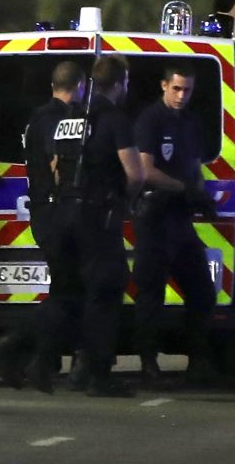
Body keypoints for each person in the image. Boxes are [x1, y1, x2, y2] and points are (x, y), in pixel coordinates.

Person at [26, 54, 143, 397]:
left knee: (67, 293)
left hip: (63, 214)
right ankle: (97, 375)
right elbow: (135, 174)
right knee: (105, 292)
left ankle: (38, 360)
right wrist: (124, 199)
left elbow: (55, 165)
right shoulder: (115, 119)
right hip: (96, 217)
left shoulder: (71, 119)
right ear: (121, 84)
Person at [0, 61, 88, 390]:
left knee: (65, 292)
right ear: (80, 86)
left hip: (46, 213)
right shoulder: (58, 119)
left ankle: (40, 361)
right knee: (69, 295)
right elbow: (59, 163)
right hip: (57, 214)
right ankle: (9, 345)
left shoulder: (38, 117)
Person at [133, 63, 220, 387]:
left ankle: (198, 361)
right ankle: (148, 364)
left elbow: (194, 164)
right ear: (164, 85)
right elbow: (145, 171)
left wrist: (201, 196)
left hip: (181, 220)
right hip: (154, 218)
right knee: (150, 296)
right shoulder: (151, 120)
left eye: (187, 90)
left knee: (202, 293)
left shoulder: (191, 122)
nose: (182, 95)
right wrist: (185, 189)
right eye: (177, 88)